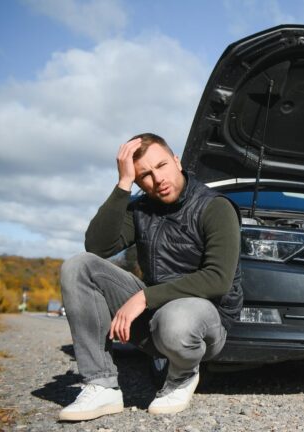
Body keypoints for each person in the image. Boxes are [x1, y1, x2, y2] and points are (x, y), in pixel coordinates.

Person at [59, 133, 242, 421]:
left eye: (162, 165)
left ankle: (182, 374)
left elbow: (218, 279)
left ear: (177, 161)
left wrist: (144, 297)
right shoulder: (142, 209)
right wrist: (122, 184)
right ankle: (101, 384)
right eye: (144, 174)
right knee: (79, 267)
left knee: (177, 320)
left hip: (203, 321)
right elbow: (97, 246)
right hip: (156, 316)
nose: (158, 179)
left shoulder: (214, 206)